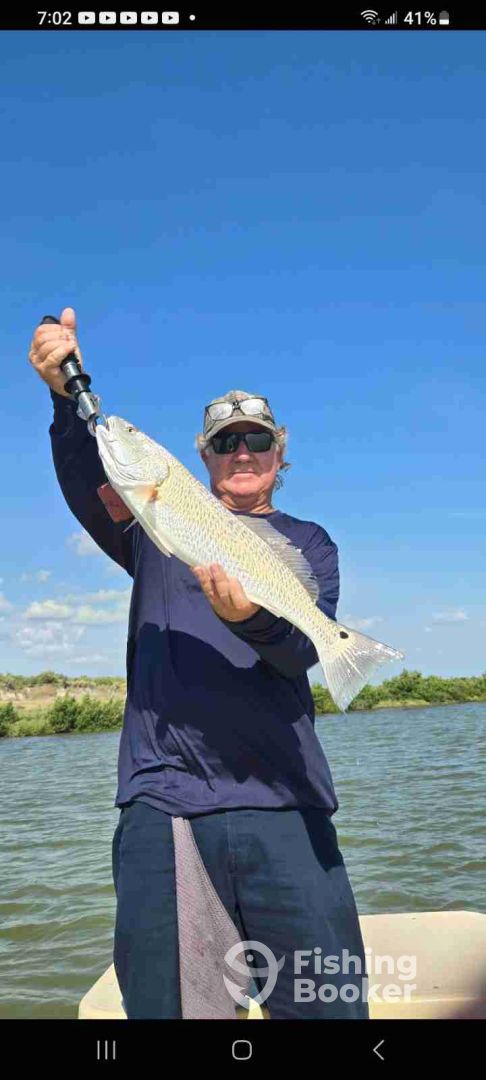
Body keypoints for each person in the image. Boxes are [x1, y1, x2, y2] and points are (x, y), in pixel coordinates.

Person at [28, 307, 369, 1020]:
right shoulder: (152, 528)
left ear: (280, 453)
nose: (242, 453)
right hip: (168, 800)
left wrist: (249, 618)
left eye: (257, 440)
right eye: (224, 443)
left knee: (329, 1007)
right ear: (203, 457)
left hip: (286, 798)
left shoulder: (310, 544)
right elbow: (89, 475)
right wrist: (65, 403)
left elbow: (298, 652)